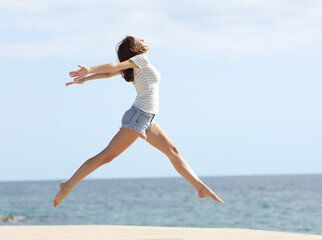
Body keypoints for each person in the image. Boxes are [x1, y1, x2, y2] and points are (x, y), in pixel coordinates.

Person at [53, 36, 224, 208]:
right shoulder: (140, 60)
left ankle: (201, 188)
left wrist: (85, 78)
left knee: (173, 151)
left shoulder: (137, 64)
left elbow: (108, 73)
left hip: (147, 118)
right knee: (106, 156)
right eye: (137, 39)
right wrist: (88, 70)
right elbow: (113, 68)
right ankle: (67, 185)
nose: (142, 39)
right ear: (133, 48)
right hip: (139, 116)